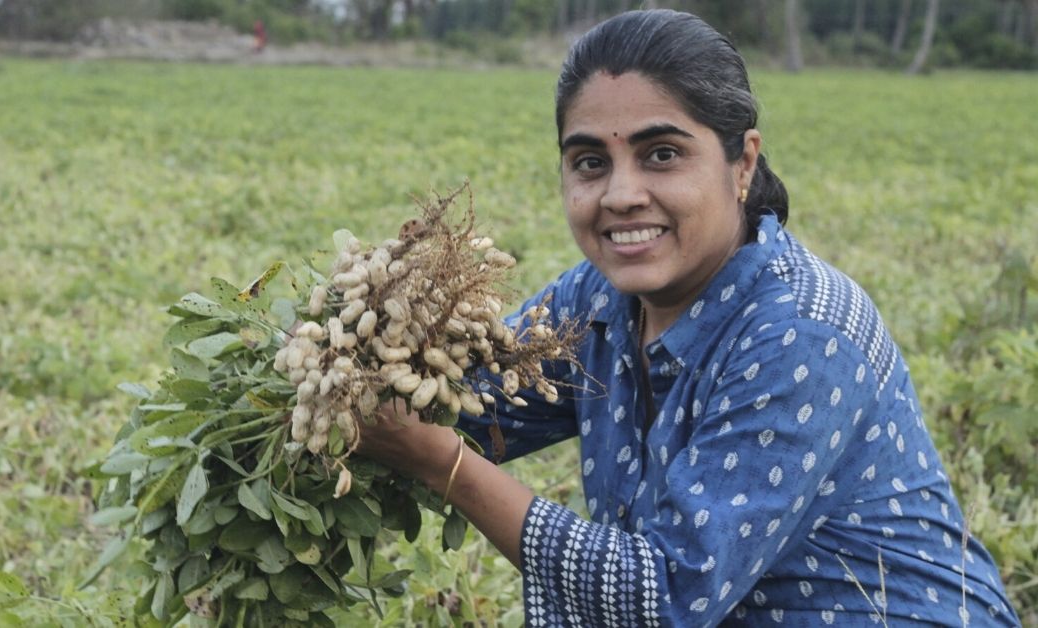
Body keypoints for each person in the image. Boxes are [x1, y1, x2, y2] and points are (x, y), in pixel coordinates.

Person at [357, 9, 1021, 626]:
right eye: (590, 163)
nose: (620, 195)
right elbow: (465, 409)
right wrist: (353, 375)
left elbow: (669, 595)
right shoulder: (593, 302)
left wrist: (444, 465)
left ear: (743, 163)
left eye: (662, 155)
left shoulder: (803, 333)